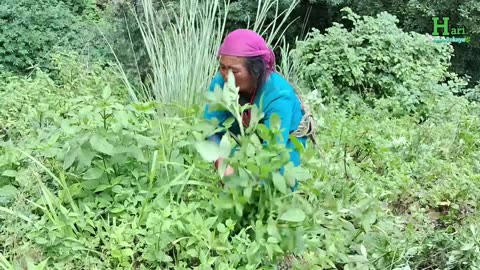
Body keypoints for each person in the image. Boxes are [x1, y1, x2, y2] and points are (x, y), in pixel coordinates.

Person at [203, 29, 314, 192]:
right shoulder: (221, 82)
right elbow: (209, 128)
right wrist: (222, 164)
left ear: (256, 71)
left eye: (234, 71)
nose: (227, 76)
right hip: (247, 134)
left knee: (280, 184)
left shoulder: (278, 96)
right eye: (222, 67)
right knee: (236, 174)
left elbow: (273, 150)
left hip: (286, 138)